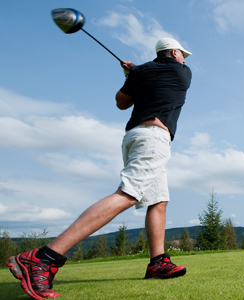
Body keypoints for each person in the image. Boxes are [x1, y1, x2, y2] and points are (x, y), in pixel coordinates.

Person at [6, 37, 193, 299]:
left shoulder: (141, 72)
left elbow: (121, 102)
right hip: (153, 138)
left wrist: (132, 74)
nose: (185, 60)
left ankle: (157, 262)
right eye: (183, 54)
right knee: (128, 194)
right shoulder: (181, 71)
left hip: (134, 137)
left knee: (159, 200)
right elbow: (138, 90)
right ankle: (42, 257)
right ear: (174, 53)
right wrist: (135, 71)